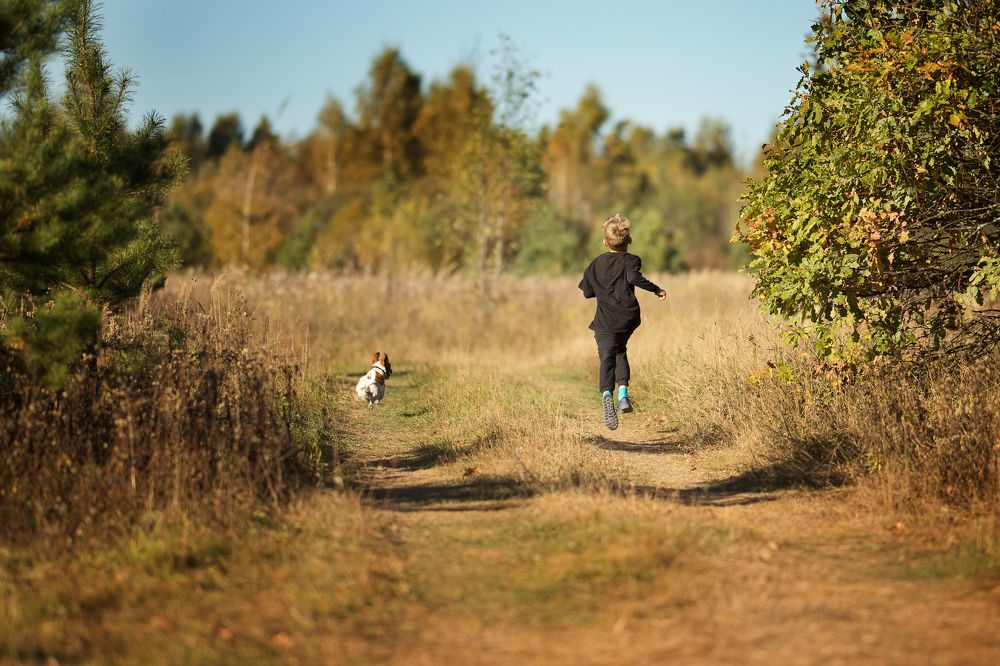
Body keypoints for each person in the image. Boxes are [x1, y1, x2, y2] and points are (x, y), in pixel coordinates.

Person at [579, 213, 666, 430]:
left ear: (604, 242)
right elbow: (633, 278)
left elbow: (587, 292)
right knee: (620, 350)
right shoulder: (632, 260)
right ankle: (623, 395)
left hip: (606, 321)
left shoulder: (596, 264)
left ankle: (607, 393)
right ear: (629, 241)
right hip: (627, 318)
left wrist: (601, 287)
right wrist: (656, 289)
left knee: (607, 355)